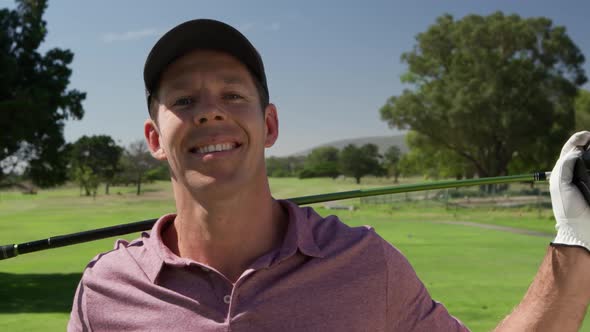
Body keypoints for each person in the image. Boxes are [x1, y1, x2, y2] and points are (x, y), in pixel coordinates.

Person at [68, 19, 590, 331]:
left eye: (232, 95)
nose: (208, 112)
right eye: (184, 100)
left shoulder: (366, 266)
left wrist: (576, 239)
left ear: (269, 124)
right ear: (155, 138)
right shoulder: (106, 290)